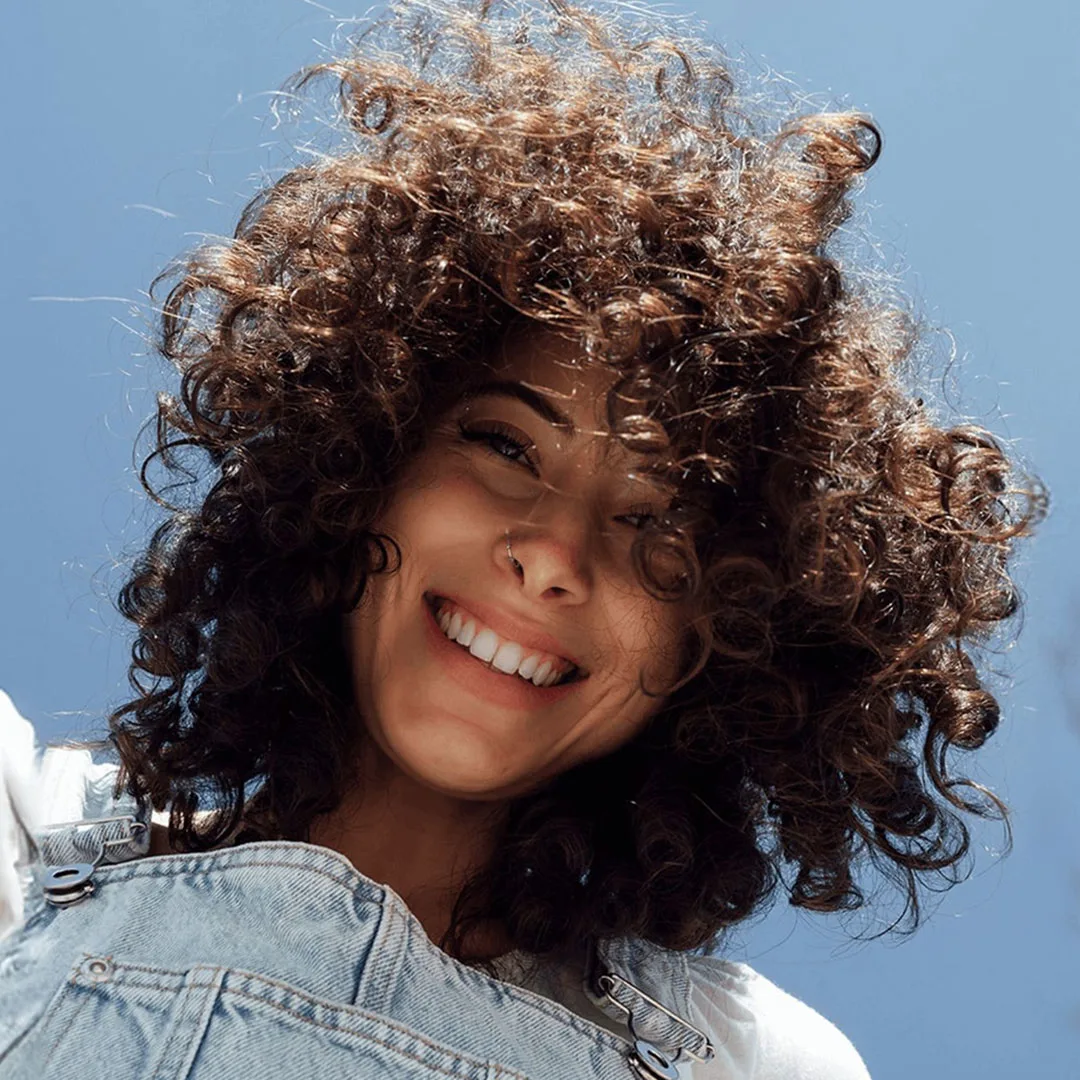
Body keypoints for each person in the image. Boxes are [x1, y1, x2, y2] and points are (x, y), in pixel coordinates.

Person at [0, 0, 1043, 1076]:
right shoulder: (28, 848)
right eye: (503, 444)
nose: (551, 556)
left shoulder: (755, 1062)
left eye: (657, 525)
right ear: (363, 467)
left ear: (718, 639)